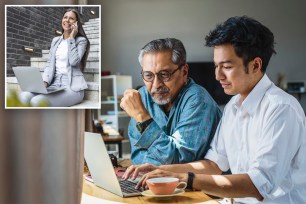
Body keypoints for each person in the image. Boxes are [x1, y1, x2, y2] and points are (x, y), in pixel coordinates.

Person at [122, 16, 306, 203]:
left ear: (255, 65)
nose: (218, 76)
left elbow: (258, 185)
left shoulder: (281, 109)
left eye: (226, 67)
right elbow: (213, 164)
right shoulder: (233, 107)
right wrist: (162, 170)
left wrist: (188, 179)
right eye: (216, 66)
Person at [120, 38, 222, 165]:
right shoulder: (142, 97)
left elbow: (177, 160)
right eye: (148, 75)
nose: (156, 85)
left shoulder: (198, 100)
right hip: (153, 181)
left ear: (184, 72)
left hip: (194, 184)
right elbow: (138, 156)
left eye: (164, 74)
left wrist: (142, 117)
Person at [19, 8, 90, 107]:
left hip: (72, 87)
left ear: (76, 23)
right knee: (23, 96)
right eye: (65, 17)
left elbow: (74, 62)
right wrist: (45, 82)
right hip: (54, 84)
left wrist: (71, 38)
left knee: (37, 102)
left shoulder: (81, 41)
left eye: (71, 18)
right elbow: (49, 64)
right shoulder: (56, 40)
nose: (67, 20)